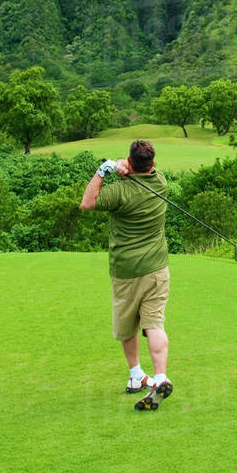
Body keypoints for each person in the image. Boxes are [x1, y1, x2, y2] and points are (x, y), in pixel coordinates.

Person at [79, 139, 174, 410]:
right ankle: (158, 378)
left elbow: (87, 203)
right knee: (154, 324)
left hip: (126, 272)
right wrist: (124, 166)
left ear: (131, 163)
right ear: (152, 164)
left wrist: (104, 170)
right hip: (157, 269)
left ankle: (135, 374)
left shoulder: (119, 192)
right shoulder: (161, 182)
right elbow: (138, 167)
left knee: (127, 326)